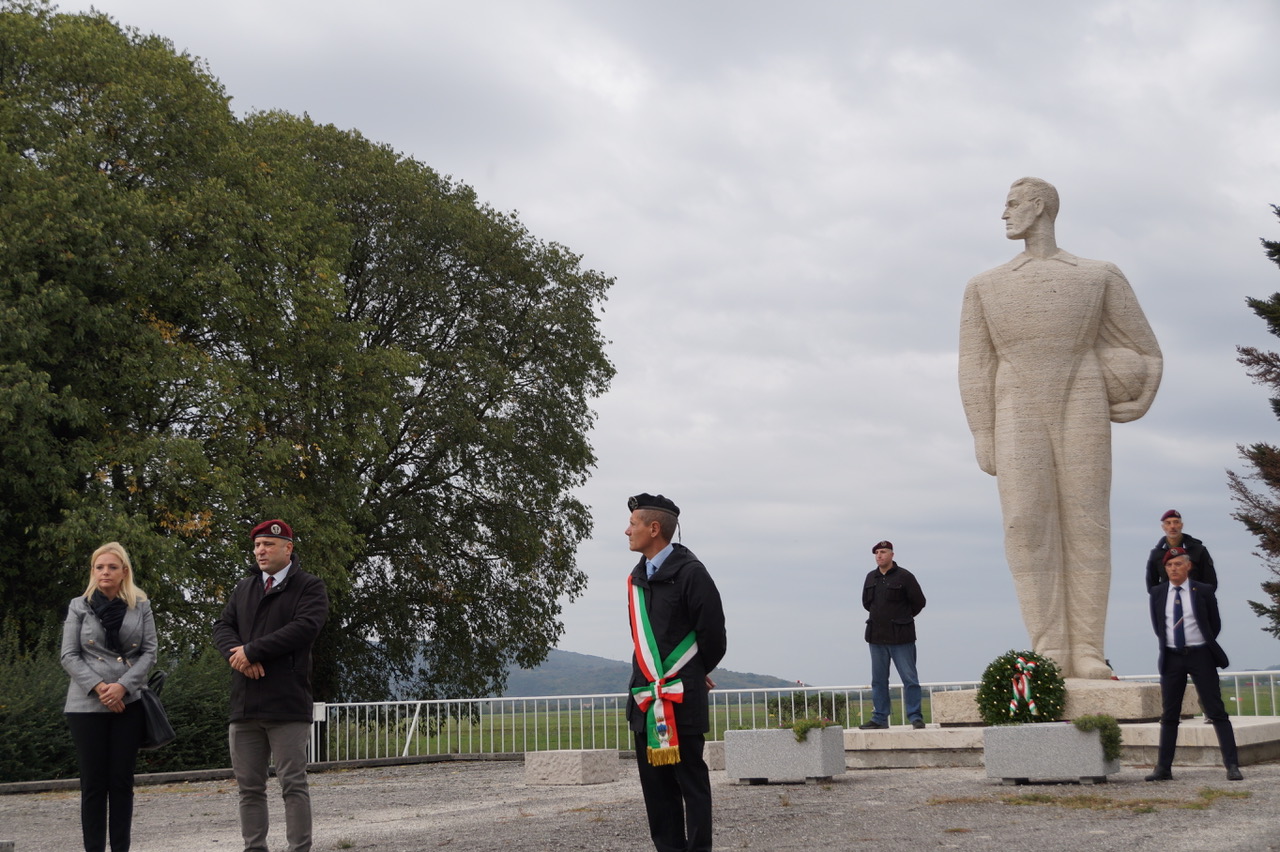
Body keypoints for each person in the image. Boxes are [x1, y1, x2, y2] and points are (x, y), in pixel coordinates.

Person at [959, 177, 1163, 678]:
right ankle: (1049, 647)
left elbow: (1148, 351)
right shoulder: (986, 284)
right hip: (1016, 400)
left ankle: (1089, 650)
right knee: (1025, 522)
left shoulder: (1098, 275)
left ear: (1040, 205)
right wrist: (982, 432)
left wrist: (1140, 396)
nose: (1003, 214)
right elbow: (973, 365)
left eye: (1011, 203)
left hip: (1083, 394)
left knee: (1088, 519)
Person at [213, 520, 329, 852]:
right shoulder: (244, 588)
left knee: (293, 784)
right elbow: (223, 626)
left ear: (288, 548)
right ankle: (254, 848)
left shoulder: (310, 587)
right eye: (257, 545)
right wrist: (238, 657)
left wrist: (252, 650)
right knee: (249, 788)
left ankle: (299, 849)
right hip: (244, 705)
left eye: (269, 545)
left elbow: (304, 628)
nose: (261, 551)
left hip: (287, 704)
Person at [625, 493, 727, 852]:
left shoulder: (691, 574)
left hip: (681, 701)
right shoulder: (637, 578)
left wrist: (696, 670)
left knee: (691, 788)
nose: (627, 531)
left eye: (633, 524)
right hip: (644, 701)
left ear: (655, 529)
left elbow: (713, 635)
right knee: (657, 794)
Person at [60, 541, 158, 852]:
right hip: (86, 704)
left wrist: (123, 687)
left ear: (123, 572)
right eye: (99, 567)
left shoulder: (141, 606)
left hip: (127, 703)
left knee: (121, 784)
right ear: (93, 571)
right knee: (93, 785)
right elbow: (69, 655)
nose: (105, 572)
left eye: (112, 567)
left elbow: (150, 653)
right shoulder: (79, 605)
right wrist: (102, 687)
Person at [1145, 547, 1242, 781]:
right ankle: (1163, 768)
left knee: (1216, 710)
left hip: (1201, 655)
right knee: (1169, 714)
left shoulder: (1203, 591)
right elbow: (1159, 627)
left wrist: (1200, 643)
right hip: (1172, 657)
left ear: (1188, 566)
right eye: (1169, 565)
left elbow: (1214, 625)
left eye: (1178, 564)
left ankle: (1232, 765)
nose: (1173, 569)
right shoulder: (1158, 593)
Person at [858, 541, 927, 730]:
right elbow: (866, 603)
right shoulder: (870, 577)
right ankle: (879, 718)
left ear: (892, 555)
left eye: (883, 552)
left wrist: (902, 618)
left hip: (901, 637)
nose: (879, 555)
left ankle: (915, 717)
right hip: (877, 637)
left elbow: (919, 602)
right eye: (877, 553)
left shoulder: (905, 576)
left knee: (910, 679)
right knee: (878, 681)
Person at [1145, 509, 1217, 590]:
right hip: (1167, 601)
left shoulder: (1198, 550)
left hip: (1195, 600)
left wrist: (1199, 599)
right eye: (1168, 523)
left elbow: (1211, 583)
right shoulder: (1156, 554)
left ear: (1181, 525)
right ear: (1163, 527)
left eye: (1176, 522)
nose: (1172, 526)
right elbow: (1152, 586)